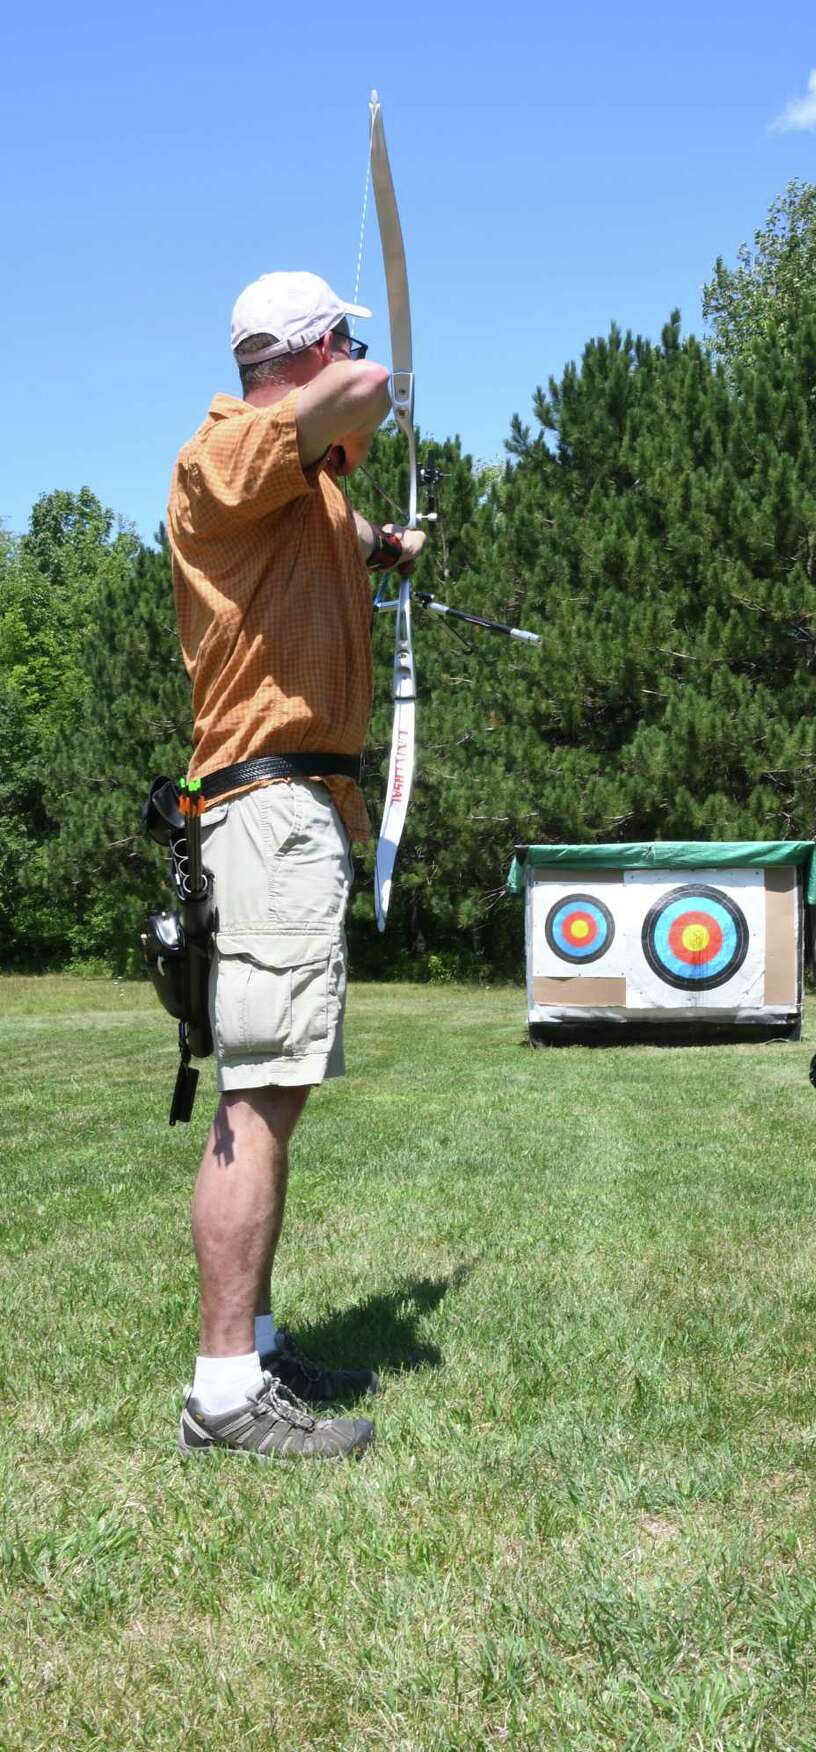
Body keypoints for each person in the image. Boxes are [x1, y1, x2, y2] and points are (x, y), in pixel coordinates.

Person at [166, 271, 424, 1459]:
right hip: (264, 806)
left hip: (298, 802)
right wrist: (380, 378)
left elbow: (352, 532)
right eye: (342, 345)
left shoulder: (303, 493)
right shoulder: (225, 454)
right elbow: (364, 390)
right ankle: (224, 1394)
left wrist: (390, 548)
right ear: (312, 349)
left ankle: (255, 1339)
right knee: (258, 1096)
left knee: (284, 1085)